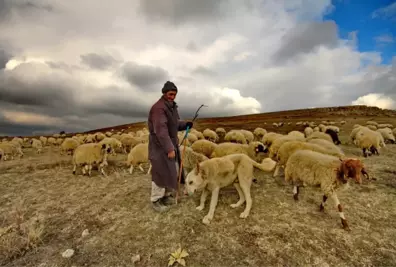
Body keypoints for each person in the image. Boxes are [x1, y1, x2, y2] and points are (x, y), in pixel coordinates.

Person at [147, 81, 193, 212]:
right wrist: (169, 148)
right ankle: (156, 200)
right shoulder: (159, 108)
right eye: (170, 94)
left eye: (174, 94)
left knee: (170, 171)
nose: (172, 97)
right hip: (160, 145)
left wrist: (185, 124)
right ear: (164, 93)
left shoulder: (171, 107)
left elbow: (173, 125)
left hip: (169, 143)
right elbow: (161, 130)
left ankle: (165, 196)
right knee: (160, 172)